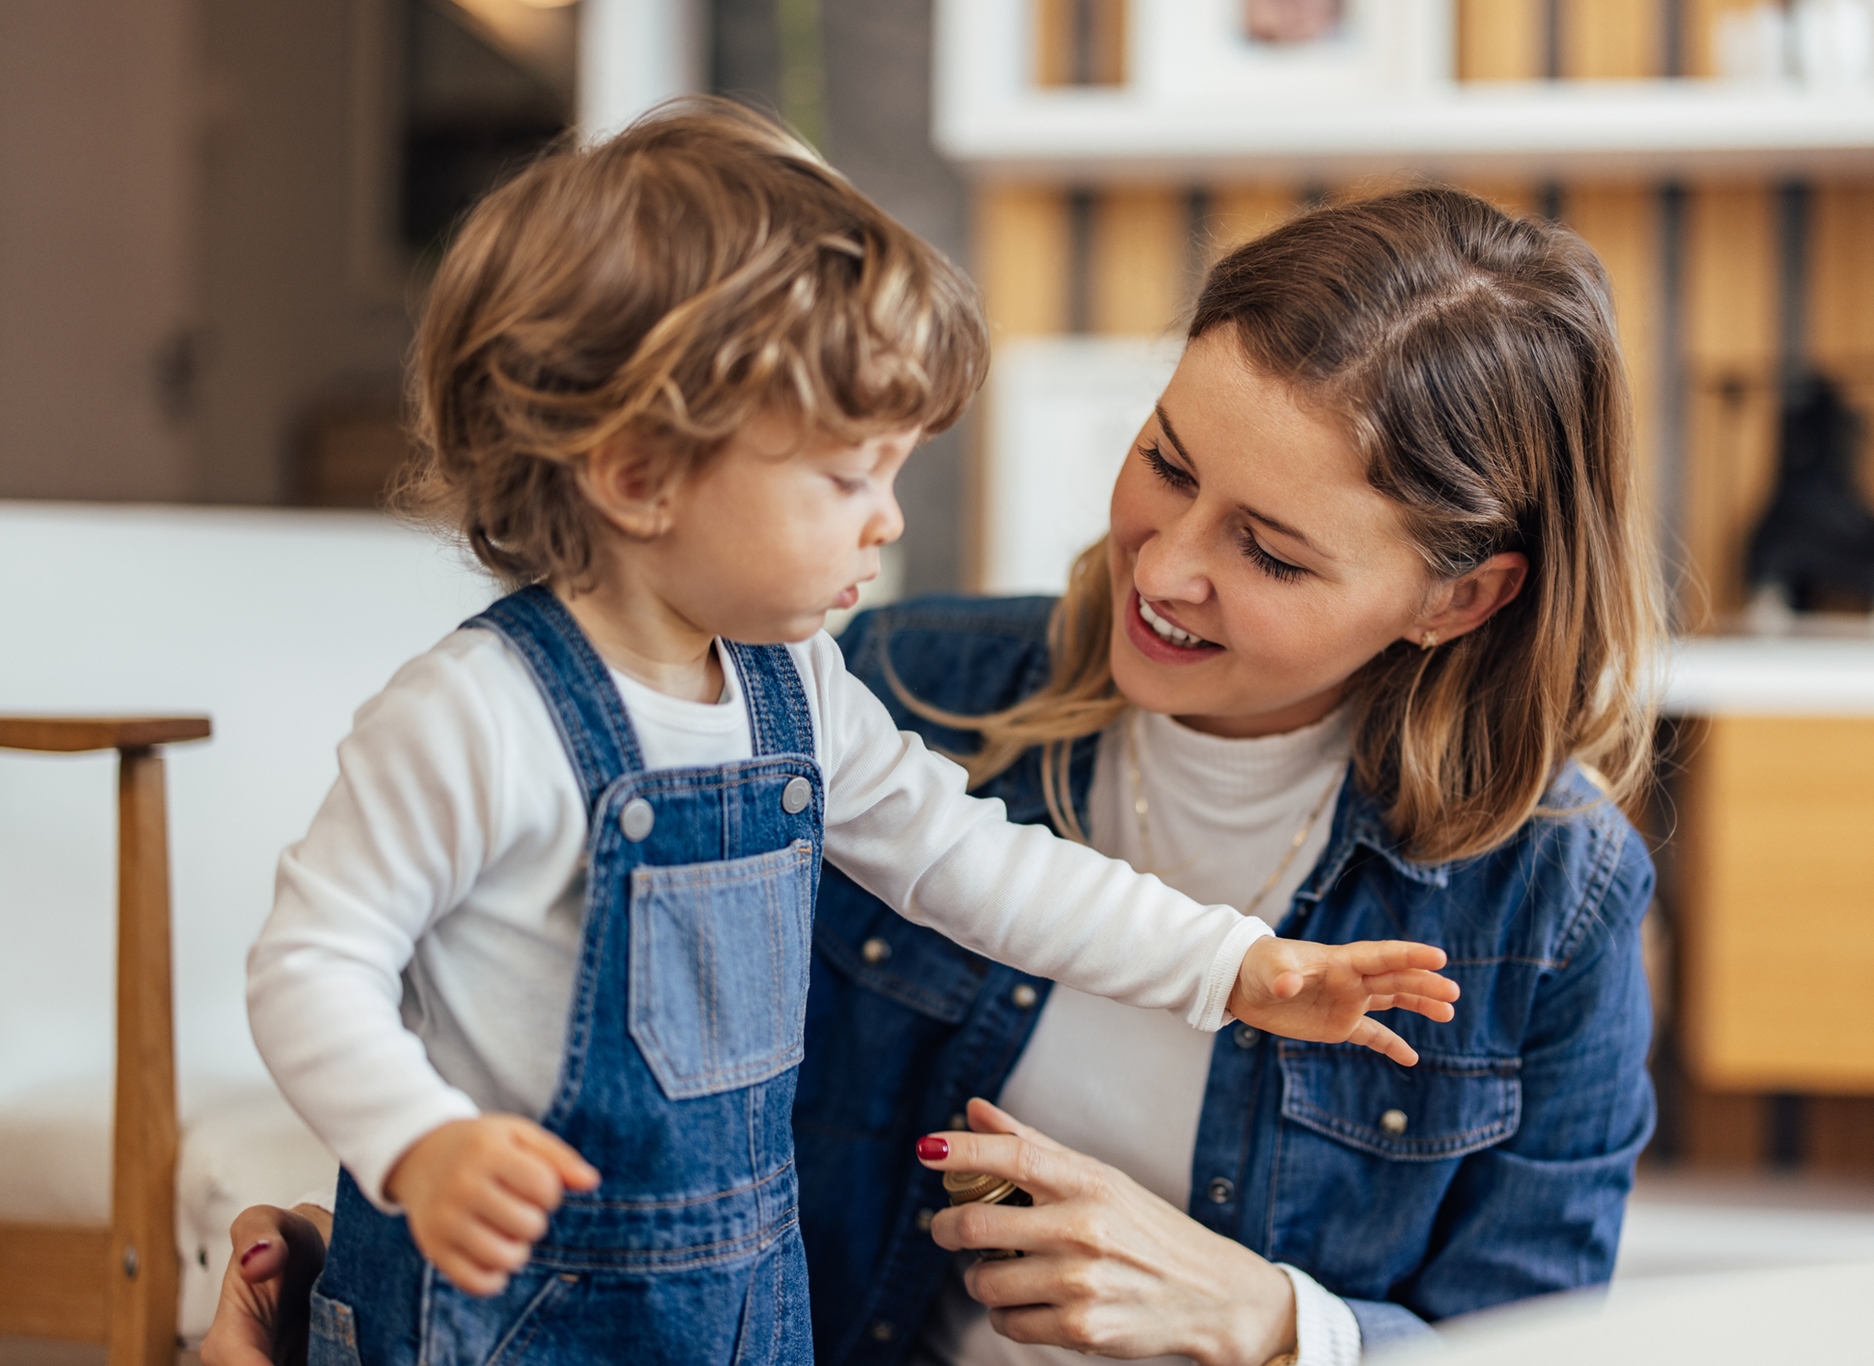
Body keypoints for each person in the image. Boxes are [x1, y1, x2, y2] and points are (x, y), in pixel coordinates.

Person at [208, 185, 1661, 1366]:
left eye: (1271, 552)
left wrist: (1270, 1317)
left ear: (1458, 599)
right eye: (1165, 464)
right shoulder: (887, 680)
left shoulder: (1557, 893)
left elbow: (1536, 1333)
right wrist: (387, 1208)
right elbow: (489, 1003)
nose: (1164, 567)